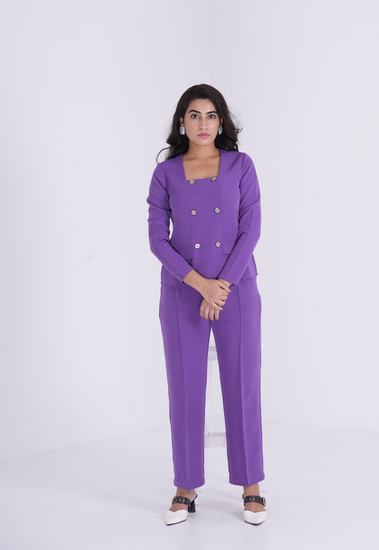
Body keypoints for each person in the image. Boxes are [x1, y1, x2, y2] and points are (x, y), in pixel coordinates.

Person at [147, 84, 266, 526]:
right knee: (184, 388)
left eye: (211, 115)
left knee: (243, 384)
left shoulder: (241, 165)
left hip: (237, 290)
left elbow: (251, 228)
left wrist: (223, 286)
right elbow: (157, 238)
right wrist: (201, 285)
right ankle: (185, 486)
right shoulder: (166, 173)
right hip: (183, 291)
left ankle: (251, 485)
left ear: (221, 122)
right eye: (194, 115)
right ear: (182, 122)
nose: (203, 123)